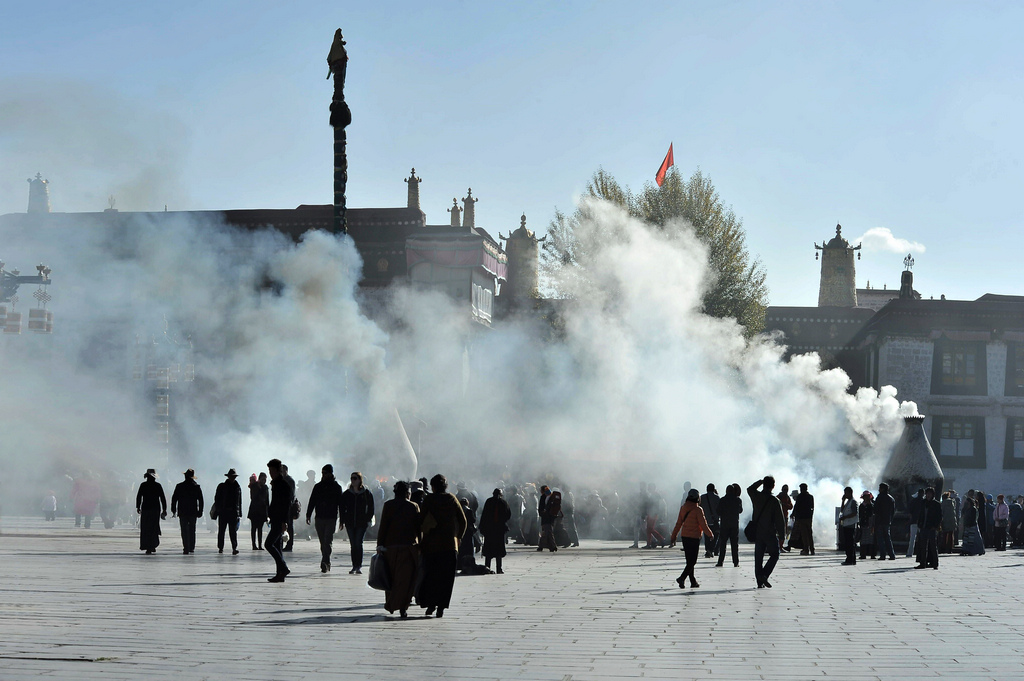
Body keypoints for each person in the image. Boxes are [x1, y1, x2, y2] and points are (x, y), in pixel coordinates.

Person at [418, 474, 467, 618]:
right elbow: (463, 520)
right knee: (446, 578)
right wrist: (458, 537)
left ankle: (431, 604)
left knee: (431, 576)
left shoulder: (429, 499)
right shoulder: (451, 499)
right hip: (449, 545)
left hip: (431, 545)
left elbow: (420, 520)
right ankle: (441, 607)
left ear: (432, 486)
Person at [376, 480, 421, 618]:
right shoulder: (414, 506)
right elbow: (419, 529)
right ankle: (403, 606)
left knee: (391, 578)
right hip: (409, 548)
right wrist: (422, 545)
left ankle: (391, 603)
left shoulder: (388, 505)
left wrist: (379, 545)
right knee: (406, 580)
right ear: (408, 493)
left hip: (390, 548)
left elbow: (383, 526)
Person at [669, 488, 714, 588]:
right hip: (694, 538)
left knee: (689, 560)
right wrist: (710, 534)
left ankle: (693, 581)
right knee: (692, 561)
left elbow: (678, 523)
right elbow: (703, 524)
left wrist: (674, 535)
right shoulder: (698, 510)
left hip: (685, 537)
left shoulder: (683, 508)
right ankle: (682, 578)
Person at [747, 477, 785, 588]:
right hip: (770, 532)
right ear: (773, 486)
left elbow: (750, 489)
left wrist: (760, 481)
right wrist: (782, 535)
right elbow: (780, 520)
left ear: (764, 485)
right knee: (775, 554)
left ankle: (759, 581)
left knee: (758, 558)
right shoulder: (775, 501)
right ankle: (764, 574)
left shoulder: (756, 496)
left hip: (758, 532)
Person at [305, 464, 343, 572]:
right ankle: (326, 559)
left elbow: (341, 504)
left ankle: (325, 561)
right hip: (319, 517)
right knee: (322, 541)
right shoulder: (318, 487)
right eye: (322, 473)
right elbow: (312, 501)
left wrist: (342, 520)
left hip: (331, 518)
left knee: (328, 540)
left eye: (326, 473)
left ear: (331, 473)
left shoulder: (336, 487)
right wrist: (308, 514)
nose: (324, 475)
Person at [340, 471, 375, 574]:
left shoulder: (366, 493)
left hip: (361, 523)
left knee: (358, 543)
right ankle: (354, 565)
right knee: (353, 545)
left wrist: (367, 518)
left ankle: (358, 566)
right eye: (352, 478)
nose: (353, 480)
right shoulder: (347, 494)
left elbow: (371, 508)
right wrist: (342, 521)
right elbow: (342, 508)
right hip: (350, 522)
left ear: (360, 480)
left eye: (355, 478)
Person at [265, 459, 293, 582]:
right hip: (275, 518)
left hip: (279, 519)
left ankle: (284, 568)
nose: (270, 473)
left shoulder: (283, 484)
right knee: (277, 545)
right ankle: (280, 574)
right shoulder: (276, 483)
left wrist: (284, 522)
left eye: (272, 470)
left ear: (277, 470)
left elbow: (286, 504)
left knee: (268, 544)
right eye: (269, 470)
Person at [170, 469, 203, 554]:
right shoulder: (196, 487)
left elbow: (174, 499)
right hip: (192, 512)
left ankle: (186, 547)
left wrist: (173, 510)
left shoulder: (180, 486)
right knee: (192, 529)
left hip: (183, 511)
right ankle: (191, 546)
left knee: (184, 530)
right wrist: (200, 511)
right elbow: (201, 500)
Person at [479, 488, 512, 573]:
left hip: (490, 529)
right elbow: (508, 515)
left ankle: (488, 567)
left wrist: (482, 528)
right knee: (498, 550)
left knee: (490, 550)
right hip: (498, 530)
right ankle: (498, 568)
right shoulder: (503, 503)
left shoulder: (489, 501)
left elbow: (484, 515)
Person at [135, 469, 166, 555]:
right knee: (154, 527)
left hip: (146, 508)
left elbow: (139, 497)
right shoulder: (157, 485)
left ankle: (148, 545)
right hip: (155, 509)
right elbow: (162, 498)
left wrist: (138, 506)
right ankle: (152, 545)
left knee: (146, 528)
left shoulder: (143, 485)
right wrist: (164, 509)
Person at [214, 469, 242, 555]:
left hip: (233, 512)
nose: (232, 478)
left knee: (233, 532)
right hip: (223, 512)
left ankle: (234, 547)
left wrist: (239, 513)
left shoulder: (237, 487)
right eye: (231, 477)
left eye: (233, 477)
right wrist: (218, 509)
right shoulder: (222, 486)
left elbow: (239, 501)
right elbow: (217, 499)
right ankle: (220, 547)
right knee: (221, 531)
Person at [715, 483, 742, 567]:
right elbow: (740, 510)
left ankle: (720, 562)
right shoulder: (738, 500)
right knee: (734, 545)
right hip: (734, 524)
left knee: (723, 544)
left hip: (724, 525)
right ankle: (735, 562)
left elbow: (718, 511)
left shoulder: (722, 500)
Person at [915, 487, 941, 569]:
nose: (928, 495)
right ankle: (923, 563)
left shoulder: (936, 504)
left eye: (930, 494)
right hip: (923, 526)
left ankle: (935, 563)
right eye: (927, 493)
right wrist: (919, 524)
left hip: (931, 527)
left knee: (933, 546)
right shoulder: (923, 503)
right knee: (923, 546)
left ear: (933, 495)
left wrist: (935, 526)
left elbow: (939, 517)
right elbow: (920, 514)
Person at [874, 483, 897, 560]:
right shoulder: (891, 499)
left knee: (880, 539)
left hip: (880, 521)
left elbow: (876, 510)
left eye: (879, 488)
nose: (878, 489)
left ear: (882, 489)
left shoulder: (879, 497)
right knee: (888, 538)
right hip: (887, 521)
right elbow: (893, 512)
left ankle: (882, 555)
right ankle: (891, 555)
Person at [247, 473, 269, 550]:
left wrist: (268, 512)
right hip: (254, 510)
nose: (264, 481)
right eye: (263, 479)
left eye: (265, 479)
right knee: (253, 528)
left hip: (262, 511)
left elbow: (267, 500)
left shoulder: (266, 487)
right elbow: (253, 497)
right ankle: (254, 544)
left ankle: (260, 545)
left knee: (260, 529)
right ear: (259, 479)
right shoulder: (254, 486)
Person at [792, 483, 815, 555]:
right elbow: (812, 507)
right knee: (809, 534)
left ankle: (806, 549)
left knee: (804, 534)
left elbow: (796, 506)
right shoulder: (810, 497)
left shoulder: (800, 496)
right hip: (808, 517)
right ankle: (812, 549)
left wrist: (793, 514)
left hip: (801, 518)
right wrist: (811, 516)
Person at [699, 483, 720, 557]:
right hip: (715, 521)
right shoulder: (717, 498)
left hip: (705, 520)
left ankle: (708, 549)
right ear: (713, 489)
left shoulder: (702, 497)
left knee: (707, 536)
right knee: (715, 536)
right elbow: (719, 509)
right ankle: (710, 550)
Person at [838, 487, 858, 565]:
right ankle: (850, 558)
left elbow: (854, 513)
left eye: (846, 493)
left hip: (851, 524)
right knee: (847, 542)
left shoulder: (853, 502)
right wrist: (843, 500)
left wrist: (845, 517)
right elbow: (842, 510)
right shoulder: (848, 502)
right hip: (846, 524)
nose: (845, 495)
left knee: (850, 543)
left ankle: (850, 559)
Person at [537, 485, 558, 552]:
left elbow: (541, 507)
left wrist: (541, 513)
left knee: (546, 532)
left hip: (546, 517)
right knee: (547, 531)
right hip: (551, 516)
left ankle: (551, 546)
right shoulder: (551, 496)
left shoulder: (543, 497)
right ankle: (550, 546)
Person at [281, 464, 297, 551]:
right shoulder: (281, 480)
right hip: (281, 506)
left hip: (288, 506)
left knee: (289, 526)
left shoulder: (290, 481)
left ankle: (289, 544)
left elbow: (291, 495)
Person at [906, 489, 924, 558]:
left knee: (912, 538)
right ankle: (922, 553)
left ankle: (909, 553)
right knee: (922, 539)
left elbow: (910, 512)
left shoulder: (913, 501)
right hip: (922, 523)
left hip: (914, 521)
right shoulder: (924, 502)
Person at [858, 491, 876, 560]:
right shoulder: (861, 506)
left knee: (871, 540)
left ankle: (872, 554)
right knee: (863, 540)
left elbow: (873, 513)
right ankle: (863, 554)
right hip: (863, 523)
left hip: (871, 523)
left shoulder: (872, 505)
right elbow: (860, 515)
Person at [776, 484, 794, 552]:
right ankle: (777, 546)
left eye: (786, 490)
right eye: (784, 490)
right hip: (778, 517)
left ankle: (780, 546)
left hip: (785, 517)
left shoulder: (787, 498)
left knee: (784, 532)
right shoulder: (778, 497)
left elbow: (790, 506)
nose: (785, 491)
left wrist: (785, 505)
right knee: (778, 532)